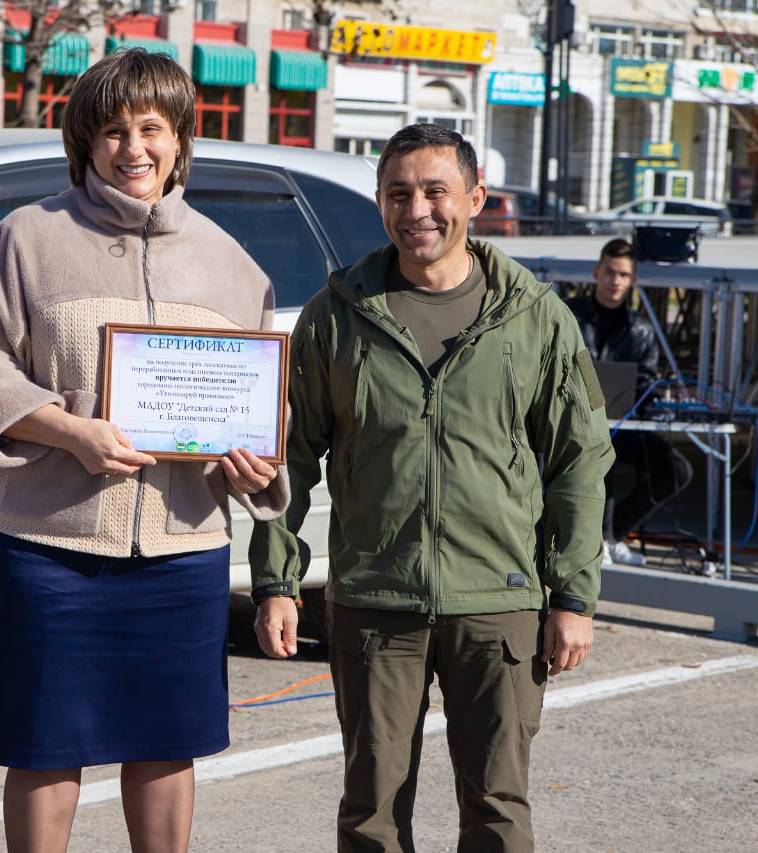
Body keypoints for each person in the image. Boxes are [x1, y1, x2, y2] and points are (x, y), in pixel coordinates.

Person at [0, 49, 287, 853]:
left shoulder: (231, 265)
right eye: (114, 132)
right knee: (43, 746)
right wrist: (72, 430)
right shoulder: (26, 240)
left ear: (180, 139)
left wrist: (254, 467)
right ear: (84, 144)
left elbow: (261, 412)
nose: (133, 149)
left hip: (181, 546)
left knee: (167, 741)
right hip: (47, 545)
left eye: (151, 129)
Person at [250, 123, 614, 853]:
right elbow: (287, 454)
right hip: (374, 600)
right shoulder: (338, 316)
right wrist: (276, 581)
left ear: (474, 198)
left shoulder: (535, 316)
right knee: (372, 810)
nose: (417, 209)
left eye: (434, 191)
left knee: (498, 808)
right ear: (381, 204)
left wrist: (572, 595)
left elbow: (579, 459)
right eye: (398, 193)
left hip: (499, 600)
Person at [566, 238, 694, 567]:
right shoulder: (570, 316)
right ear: (596, 272)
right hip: (574, 422)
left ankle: (612, 536)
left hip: (623, 423)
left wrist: (653, 400)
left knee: (677, 470)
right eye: (609, 272)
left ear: (633, 280)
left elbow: (646, 383)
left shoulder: (642, 330)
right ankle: (597, 541)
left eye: (623, 275)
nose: (615, 281)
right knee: (604, 447)